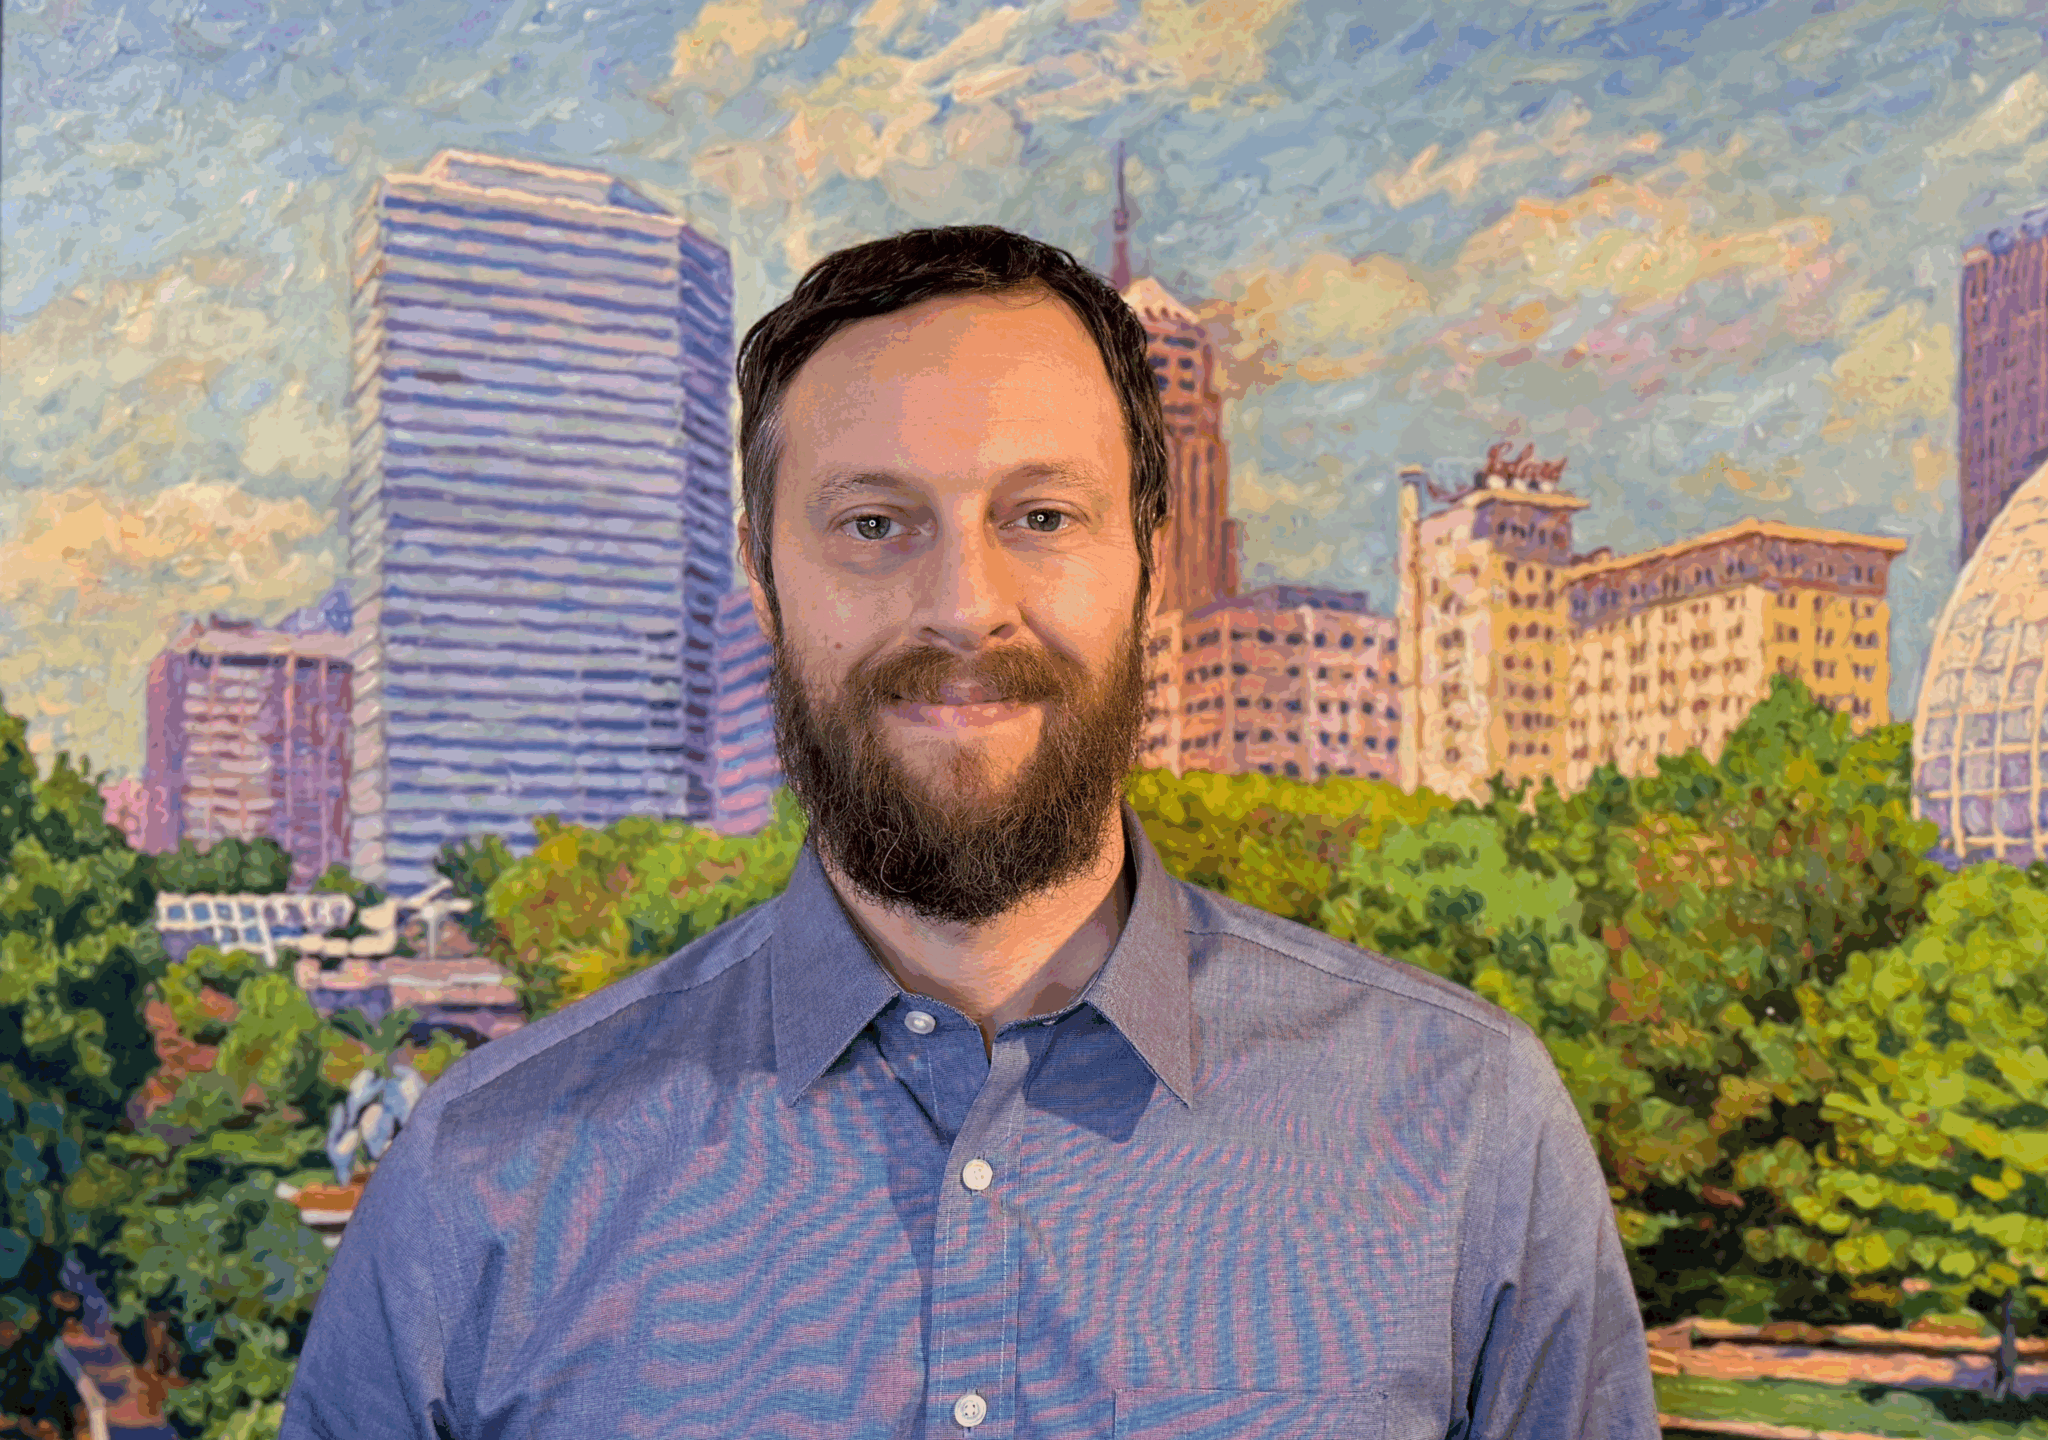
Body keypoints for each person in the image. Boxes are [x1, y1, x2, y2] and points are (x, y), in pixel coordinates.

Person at [281, 225, 1658, 1438]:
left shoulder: (1470, 1125)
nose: (965, 607)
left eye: (1041, 515)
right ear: (765, 579)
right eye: (875, 523)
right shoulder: (485, 1175)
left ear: (1148, 560)